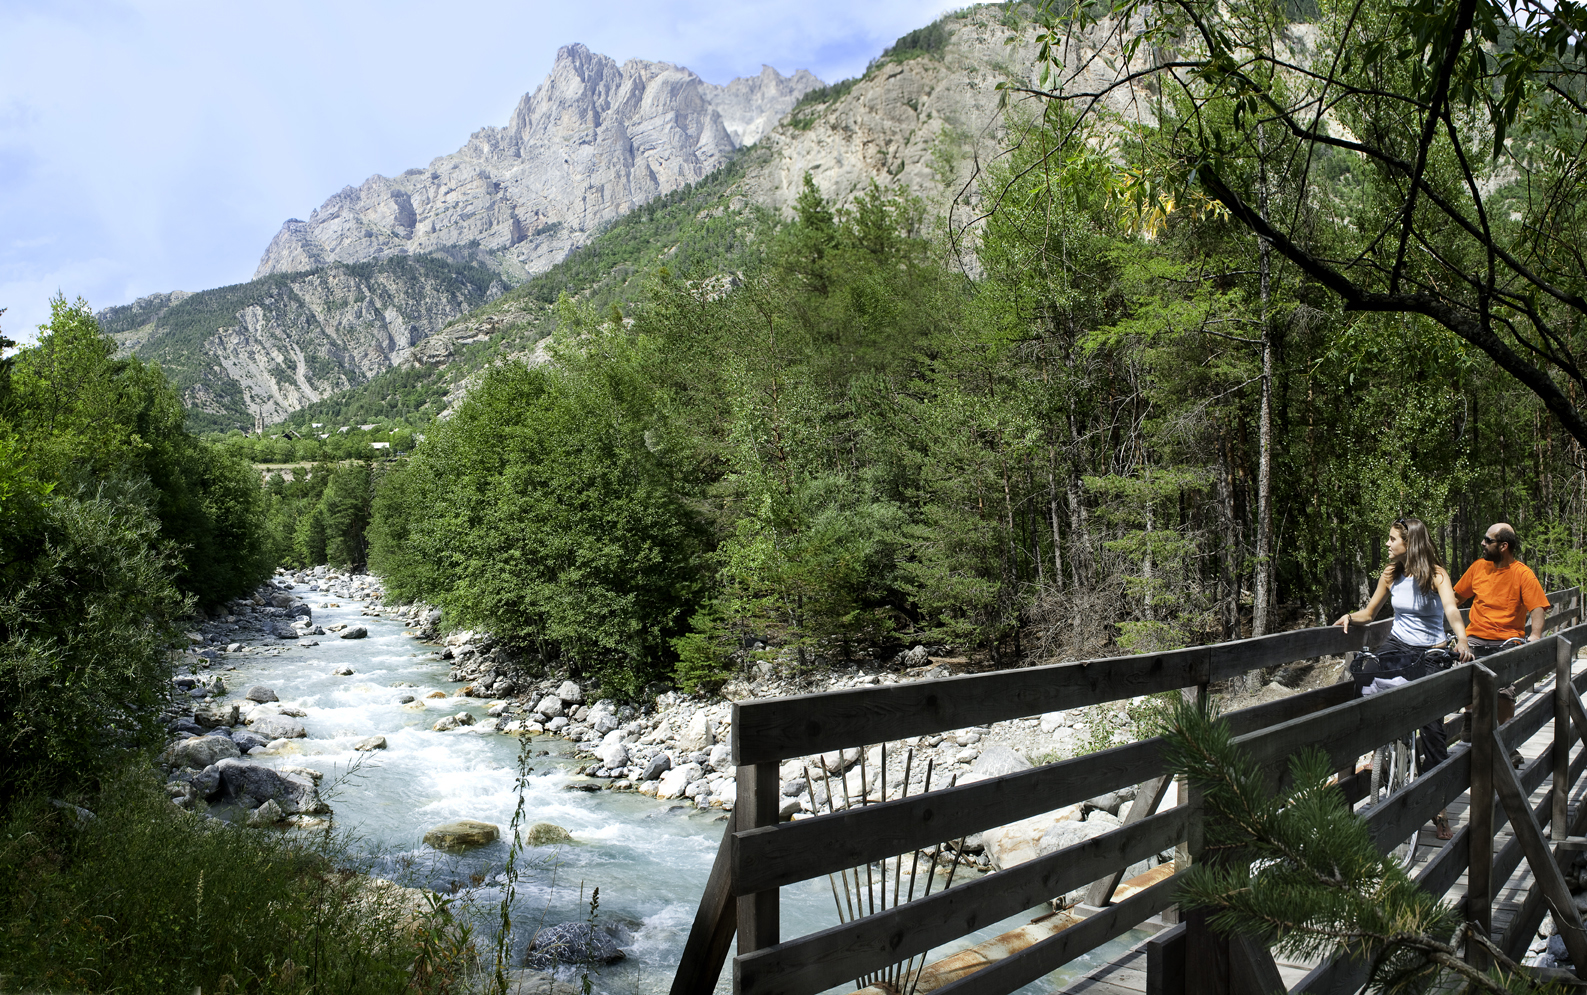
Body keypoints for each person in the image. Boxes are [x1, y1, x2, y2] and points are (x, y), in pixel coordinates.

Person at [1335, 517, 1472, 839]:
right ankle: (1355, 770)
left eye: (1392, 539)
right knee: (1362, 681)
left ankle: (1438, 809)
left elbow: (1452, 609)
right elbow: (1369, 614)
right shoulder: (1391, 574)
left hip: (1431, 648)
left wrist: (1462, 640)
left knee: (1433, 728)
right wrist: (1349, 617)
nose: (1387, 544)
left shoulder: (1436, 575)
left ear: (1409, 543)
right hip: (1398, 644)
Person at [1453, 522, 1550, 726]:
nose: (1483, 543)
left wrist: (1535, 636)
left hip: (1506, 642)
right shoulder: (1478, 567)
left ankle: (1507, 737)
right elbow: (1455, 599)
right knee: (1468, 679)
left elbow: (1538, 608)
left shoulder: (1522, 574)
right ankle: (1470, 724)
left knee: (1504, 689)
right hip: (1475, 638)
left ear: (1503, 546)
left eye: (1488, 540)